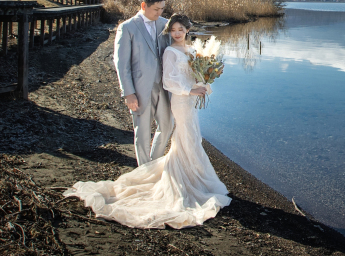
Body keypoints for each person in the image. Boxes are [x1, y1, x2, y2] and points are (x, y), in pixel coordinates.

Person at [64, 14, 231, 229]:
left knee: (192, 137)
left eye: (180, 29)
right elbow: (170, 81)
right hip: (180, 101)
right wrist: (190, 90)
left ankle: (194, 176)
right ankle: (189, 180)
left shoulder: (192, 51)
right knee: (187, 137)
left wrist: (205, 83)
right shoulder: (170, 52)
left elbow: (196, 75)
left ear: (188, 30)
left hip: (190, 101)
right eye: (173, 30)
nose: (177, 33)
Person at [114, 0, 174, 166]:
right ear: (143, 5)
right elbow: (121, 64)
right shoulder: (127, 28)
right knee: (142, 131)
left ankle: (154, 163)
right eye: (156, 9)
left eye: (162, 8)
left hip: (163, 87)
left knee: (167, 126)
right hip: (140, 88)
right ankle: (144, 170)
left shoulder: (165, 24)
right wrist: (128, 92)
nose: (159, 12)